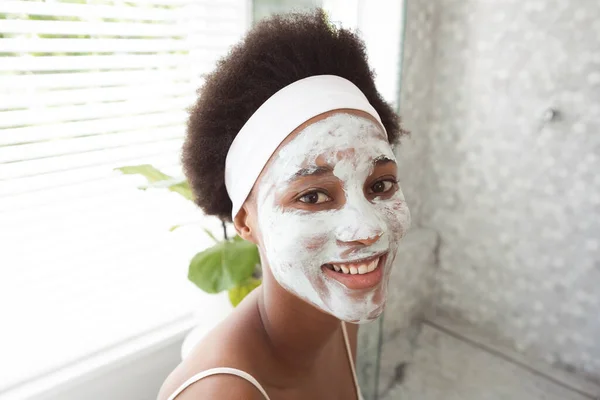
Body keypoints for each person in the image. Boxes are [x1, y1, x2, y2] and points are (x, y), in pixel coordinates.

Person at [158, 9, 410, 400]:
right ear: (245, 221)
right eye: (312, 196)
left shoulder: (340, 314)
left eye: (381, 185)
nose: (367, 228)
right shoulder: (220, 394)